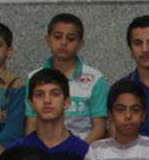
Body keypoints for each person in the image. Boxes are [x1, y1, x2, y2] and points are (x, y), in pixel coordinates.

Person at [21, 13, 107, 142]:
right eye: (57, 37)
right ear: (47, 39)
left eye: (71, 38)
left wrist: (78, 149)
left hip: (83, 149)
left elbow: (99, 129)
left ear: (80, 43)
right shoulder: (33, 77)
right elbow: (31, 126)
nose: (63, 42)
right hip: (43, 149)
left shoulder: (95, 79)